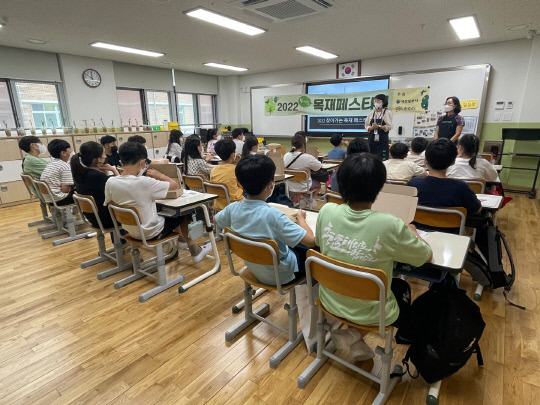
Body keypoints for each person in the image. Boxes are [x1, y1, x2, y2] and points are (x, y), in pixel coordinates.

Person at [317, 153, 432, 332]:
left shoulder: (326, 210)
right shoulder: (391, 224)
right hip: (372, 315)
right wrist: (413, 232)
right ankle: (355, 335)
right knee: (401, 286)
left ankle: (350, 334)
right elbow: (426, 257)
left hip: (330, 299)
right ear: (379, 187)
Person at [104, 142, 211, 263]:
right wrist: (159, 175)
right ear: (142, 163)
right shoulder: (144, 182)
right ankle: (193, 249)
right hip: (150, 232)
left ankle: (181, 241)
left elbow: (109, 203)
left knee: (164, 212)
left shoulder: (110, 182)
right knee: (183, 212)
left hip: (127, 229)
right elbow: (174, 185)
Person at [215, 154, 315, 285]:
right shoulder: (274, 216)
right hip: (282, 276)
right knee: (315, 251)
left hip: (254, 266)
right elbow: (311, 241)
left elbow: (217, 220)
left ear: (239, 184)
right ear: (271, 185)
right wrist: (301, 219)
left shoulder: (232, 208)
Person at [407, 138, 482, 216]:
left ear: (425, 160)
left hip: (415, 227)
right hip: (450, 228)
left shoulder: (413, 183)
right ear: (453, 162)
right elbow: (477, 209)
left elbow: (403, 207)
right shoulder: (461, 187)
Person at [70, 141, 119, 229]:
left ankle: (120, 240)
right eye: (103, 153)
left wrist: (106, 173)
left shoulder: (83, 173)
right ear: (99, 159)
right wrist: (114, 170)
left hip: (94, 218)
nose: (105, 156)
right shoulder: (96, 176)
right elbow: (122, 188)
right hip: (107, 219)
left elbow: (107, 185)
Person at [283, 133, 323, 208]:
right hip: (305, 186)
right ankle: (309, 201)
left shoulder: (286, 155)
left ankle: (299, 197)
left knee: (300, 184)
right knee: (318, 184)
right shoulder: (308, 157)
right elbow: (318, 167)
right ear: (303, 145)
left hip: (289, 185)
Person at [210, 139, 244, 211]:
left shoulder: (213, 170)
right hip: (235, 204)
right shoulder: (235, 169)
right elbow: (242, 185)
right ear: (232, 155)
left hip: (218, 204)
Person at [40, 139, 75, 206]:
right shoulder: (65, 166)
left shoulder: (51, 164)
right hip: (59, 199)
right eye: (70, 148)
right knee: (84, 191)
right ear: (63, 153)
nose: (71, 150)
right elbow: (65, 190)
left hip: (49, 198)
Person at [365, 94, 393, 160]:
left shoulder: (387, 113)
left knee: (382, 159)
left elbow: (389, 126)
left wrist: (379, 126)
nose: (376, 102)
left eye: (378, 101)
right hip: (371, 140)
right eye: (375, 101)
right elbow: (366, 126)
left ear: (383, 102)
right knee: (371, 158)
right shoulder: (371, 114)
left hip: (382, 140)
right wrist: (371, 128)